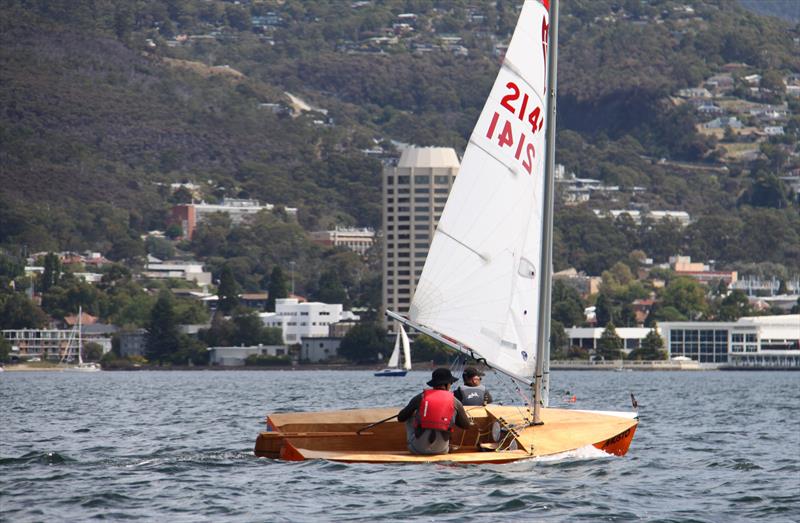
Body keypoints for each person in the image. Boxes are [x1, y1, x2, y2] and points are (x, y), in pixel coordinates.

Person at [397, 368, 473, 455]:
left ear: (433, 384)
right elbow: (466, 425)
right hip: (442, 451)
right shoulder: (455, 401)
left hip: (417, 450)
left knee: (410, 416)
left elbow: (401, 418)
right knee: (450, 419)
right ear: (448, 384)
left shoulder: (421, 397)